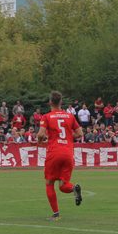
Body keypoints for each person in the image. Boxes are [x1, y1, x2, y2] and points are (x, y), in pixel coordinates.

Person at [36, 91, 84, 221]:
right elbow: (79, 133)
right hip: (68, 153)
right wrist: (68, 137)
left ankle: (56, 214)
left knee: (49, 183)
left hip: (54, 153)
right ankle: (74, 188)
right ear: (61, 102)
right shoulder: (70, 116)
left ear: (50, 102)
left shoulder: (46, 116)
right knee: (63, 186)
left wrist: (40, 141)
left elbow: (41, 134)